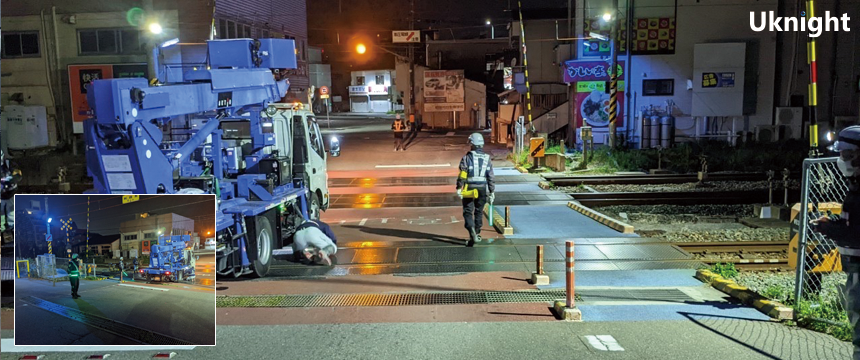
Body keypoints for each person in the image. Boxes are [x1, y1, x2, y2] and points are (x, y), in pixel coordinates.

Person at [812, 125, 860, 359]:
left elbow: (857, 234)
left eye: (846, 155)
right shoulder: (856, 186)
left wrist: (828, 228)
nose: (842, 160)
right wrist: (833, 224)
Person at [456, 133, 495, 247]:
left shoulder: (466, 158)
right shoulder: (487, 158)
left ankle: (471, 231)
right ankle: (477, 233)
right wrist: (492, 191)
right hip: (482, 188)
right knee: (479, 211)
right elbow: (491, 176)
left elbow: (462, 174)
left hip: (469, 188)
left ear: (472, 144)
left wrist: (459, 187)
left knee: (468, 211)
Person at [0, 149, 21, 236]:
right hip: (1, 196)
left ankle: (13, 231)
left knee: (11, 213)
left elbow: (18, 175)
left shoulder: (9, 164)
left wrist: (6, 181)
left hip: (11, 194)